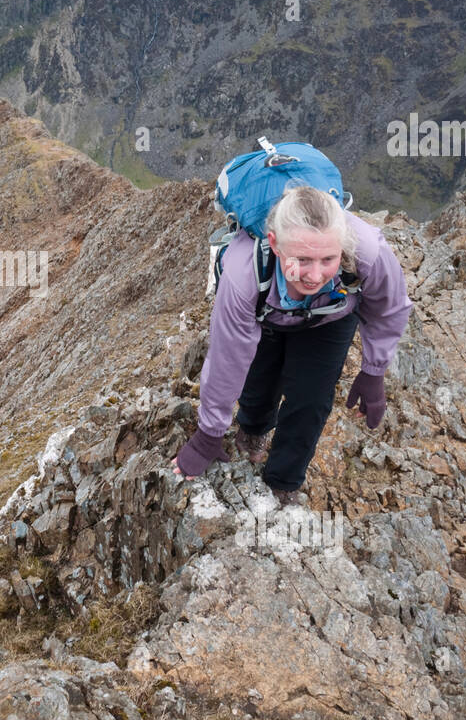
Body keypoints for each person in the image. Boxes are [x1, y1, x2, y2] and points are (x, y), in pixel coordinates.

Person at [171, 183, 413, 503]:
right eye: (302, 259)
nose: (314, 276)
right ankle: (254, 429)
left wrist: (374, 370)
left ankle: (283, 482)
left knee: (311, 400)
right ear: (275, 243)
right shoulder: (244, 275)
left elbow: (388, 308)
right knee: (258, 381)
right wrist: (208, 435)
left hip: (330, 318)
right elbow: (227, 359)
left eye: (328, 258)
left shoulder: (369, 252)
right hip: (268, 313)